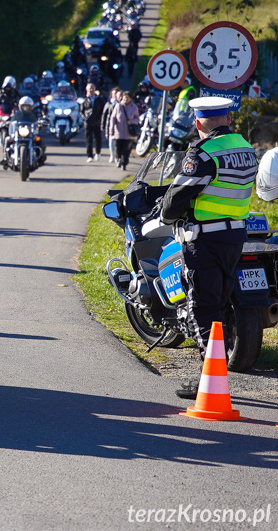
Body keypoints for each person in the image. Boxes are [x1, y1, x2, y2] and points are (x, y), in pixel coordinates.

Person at [159, 97, 258, 398]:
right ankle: (215, 370)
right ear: (227, 119)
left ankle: (209, 378)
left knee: (203, 305)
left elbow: (179, 195)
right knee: (219, 302)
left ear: (199, 123)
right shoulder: (246, 148)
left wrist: (165, 214)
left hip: (206, 239)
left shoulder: (204, 154)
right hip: (235, 237)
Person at [108, 91, 139, 170]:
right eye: (124, 97)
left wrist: (131, 121)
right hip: (118, 132)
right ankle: (118, 159)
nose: (126, 99)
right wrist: (111, 129)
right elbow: (113, 118)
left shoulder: (134, 107)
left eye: (127, 98)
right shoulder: (118, 106)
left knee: (126, 149)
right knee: (118, 148)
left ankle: (124, 164)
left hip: (128, 134)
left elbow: (137, 119)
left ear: (130, 99)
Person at [81, 83, 107, 162]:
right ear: (87, 90)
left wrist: (101, 120)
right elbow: (81, 111)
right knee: (89, 140)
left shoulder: (99, 99)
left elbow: (103, 111)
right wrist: (85, 118)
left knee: (98, 139)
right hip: (88, 123)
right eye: (89, 89)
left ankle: (98, 153)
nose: (91, 90)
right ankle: (89, 156)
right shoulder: (84, 100)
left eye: (92, 88)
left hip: (97, 122)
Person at [102, 86, 121, 162]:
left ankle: (117, 157)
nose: (115, 95)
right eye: (114, 94)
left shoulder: (121, 104)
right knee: (111, 142)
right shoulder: (109, 103)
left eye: (116, 94)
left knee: (118, 143)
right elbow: (105, 116)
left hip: (120, 126)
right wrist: (103, 127)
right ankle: (112, 155)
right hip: (111, 126)